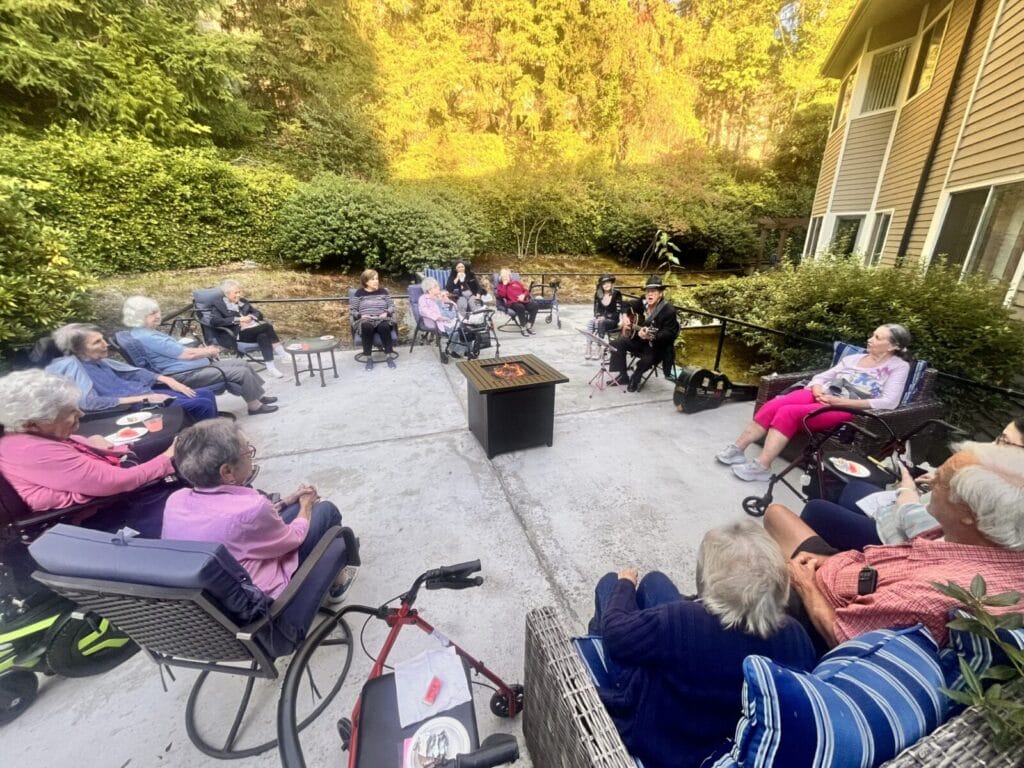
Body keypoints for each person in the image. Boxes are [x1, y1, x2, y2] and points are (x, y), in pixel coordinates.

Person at [588, 522, 815, 768]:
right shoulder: (796, 637)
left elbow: (616, 636)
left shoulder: (683, 621)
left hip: (658, 735)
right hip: (719, 732)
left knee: (608, 586)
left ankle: (591, 649)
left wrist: (624, 585)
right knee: (655, 581)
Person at [764, 443, 1024, 651]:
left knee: (738, 572)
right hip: (846, 574)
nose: (930, 480)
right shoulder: (977, 543)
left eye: (941, 479)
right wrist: (832, 562)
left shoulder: (935, 593)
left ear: (968, 512)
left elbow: (844, 639)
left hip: (821, 611)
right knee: (776, 515)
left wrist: (805, 583)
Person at [162, 420, 354, 601]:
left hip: (219, 597)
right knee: (325, 511)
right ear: (227, 471)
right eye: (248, 453)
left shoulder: (176, 500)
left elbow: (247, 524)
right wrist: (306, 505)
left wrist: (288, 501)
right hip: (267, 601)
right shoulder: (251, 509)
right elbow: (293, 538)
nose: (251, 458)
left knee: (294, 509)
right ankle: (337, 583)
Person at [717, 323, 912, 482]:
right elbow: (822, 376)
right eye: (873, 334)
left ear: (893, 346)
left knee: (788, 412)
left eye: (877, 337)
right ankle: (738, 449)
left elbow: (890, 401)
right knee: (775, 405)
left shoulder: (899, 367)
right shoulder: (855, 358)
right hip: (822, 394)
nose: (870, 339)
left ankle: (762, 467)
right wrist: (817, 388)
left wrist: (839, 401)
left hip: (847, 406)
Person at [799, 417, 1024, 551]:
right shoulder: (999, 475)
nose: (994, 444)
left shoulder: (1004, 496)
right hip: (904, 514)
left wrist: (907, 491)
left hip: (902, 539)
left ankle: (840, 551)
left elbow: (927, 529)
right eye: (999, 436)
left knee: (816, 509)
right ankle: (838, 542)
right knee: (852, 488)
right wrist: (940, 477)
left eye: (1005, 442)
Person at [0, 370, 178, 537]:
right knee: (189, 488)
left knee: (186, 441)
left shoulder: (25, 435)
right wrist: (167, 457)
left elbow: (85, 452)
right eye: (70, 412)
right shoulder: (31, 450)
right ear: (32, 424)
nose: (82, 413)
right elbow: (116, 482)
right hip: (105, 514)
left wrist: (94, 442)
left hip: (114, 482)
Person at [123, 296, 278, 415]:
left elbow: (179, 350)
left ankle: (257, 396)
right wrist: (208, 351)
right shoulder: (148, 337)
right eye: (151, 314)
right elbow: (186, 355)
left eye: (156, 312)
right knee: (240, 371)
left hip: (190, 368)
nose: (157, 316)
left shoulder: (145, 332)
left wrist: (205, 351)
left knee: (243, 364)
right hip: (183, 375)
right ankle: (255, 406)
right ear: (139, 317)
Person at [46, 323, 217, 422]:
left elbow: (134, 374)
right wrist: (144, 398)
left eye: (103, 339)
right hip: (130, 407)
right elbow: (90, 403)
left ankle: (201, 432)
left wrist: (168, 380)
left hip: (144, 395)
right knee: (201, 404)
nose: (106, 344)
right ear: (79, 349)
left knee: (206, 394)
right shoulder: (76, 368)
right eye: (97, 342)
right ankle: (205, 444)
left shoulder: (99, 361)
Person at [608, 275, 680, 392]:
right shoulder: (643, 302)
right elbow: (626, 304)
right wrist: (626, 316)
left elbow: (670, 334)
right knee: (616, 343)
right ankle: (623, 376)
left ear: (660, 293)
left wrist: (652, 335)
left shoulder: (668, 311)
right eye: (648, 291)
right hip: (639, 341)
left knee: (645, 360)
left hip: (657, 347)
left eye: (653, 291)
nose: (649, 294)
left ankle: (635, 378)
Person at [207, 279, 290, 378]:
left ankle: (271, 367)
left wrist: (250, 317)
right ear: (227, 294)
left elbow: (259, 314)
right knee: (267, 326)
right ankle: (282, 353)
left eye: (239, 292)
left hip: (253, 330)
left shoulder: (243, 301)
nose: (238, 295)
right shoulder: (218, 305)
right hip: (238, 334)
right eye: (235, 293)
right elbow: (214, 321)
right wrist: (238, 319)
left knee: (262, 336)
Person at [350, 269, 397, 371]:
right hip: (366, 320)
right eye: (373, 279)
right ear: (366, 281)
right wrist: (360, 316)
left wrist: (387, 313)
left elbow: (392, 306)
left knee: (384, 326)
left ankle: (389, 356)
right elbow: (353, 310)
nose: (376, 281)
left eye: (377, 278)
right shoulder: (359, 293)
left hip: (382, 319)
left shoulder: (383, 292)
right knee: (366, 326)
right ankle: (369, 358)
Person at [585, 273, 623, 360]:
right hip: (601, 319)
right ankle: (588, 346)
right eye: (604, 283)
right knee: (591, 322)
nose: (606, 285)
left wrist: (604, 317)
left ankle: (598, 348)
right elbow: (596, 309)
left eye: (608, 282)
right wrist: (598, 316)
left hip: (612, 320)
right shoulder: (598, 294)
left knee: (601, 322)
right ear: (601, 285)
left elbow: (618, 310)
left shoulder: (616, 293)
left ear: (611, 283)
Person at [496, 268, 538, 337]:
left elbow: (526, 291)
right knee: (520, 307)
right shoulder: (501, 286)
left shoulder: (516, 283)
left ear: (510, 276)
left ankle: (529, 325)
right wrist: (504, 285)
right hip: (512, 303)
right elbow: (502, 295)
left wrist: (523, 295)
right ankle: (523, 327)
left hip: (523, 301)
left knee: (535, 305)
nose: (505, 277)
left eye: (507, 275)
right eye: (503, 276)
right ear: (501, 278)